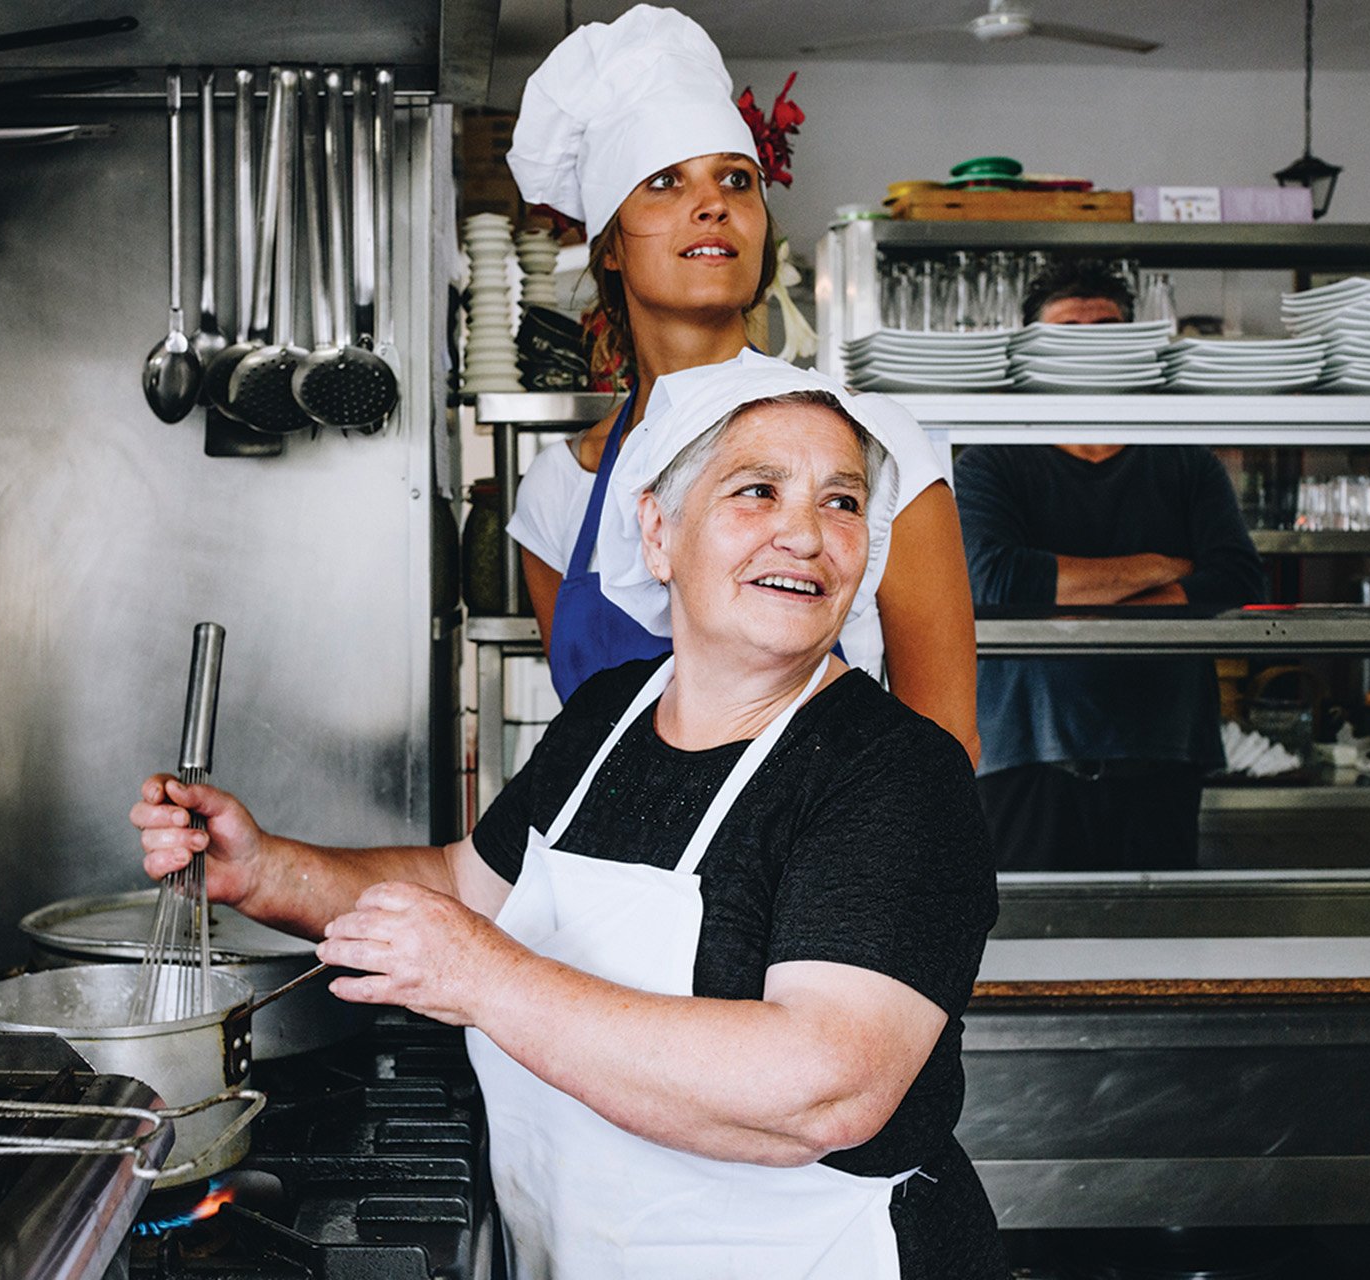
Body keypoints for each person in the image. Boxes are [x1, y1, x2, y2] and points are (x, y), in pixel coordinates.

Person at [134, 359, 1002, 1279]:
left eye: (843, 502)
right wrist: (264, 870)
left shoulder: (897, 774)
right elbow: (467, 887)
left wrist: (487, 979)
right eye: (758, 491)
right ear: (660, 533)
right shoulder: (610, 716)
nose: (806, 534)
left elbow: (826, 1087)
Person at [501, 4, 979, 759]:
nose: (712, 203)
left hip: (821, 873)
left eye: (736, 179)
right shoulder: (559, 494)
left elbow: (948, 750)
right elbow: (584, 756)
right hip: (614, 877)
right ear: (612, 247)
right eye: (663, 181)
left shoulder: (876, 446)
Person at [957, 260, 1270, 871]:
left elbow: (1235, 574)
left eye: (1106, 333)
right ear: (1033, 354)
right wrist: (1164, 564)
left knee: (1156, 955)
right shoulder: (990, 462)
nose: (1088, 350)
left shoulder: (1185, 462)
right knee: (1027, 956)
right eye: (1066, 335)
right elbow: (996, 581)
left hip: (1162, 752)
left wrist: (1078, 596)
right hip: (1024, 755)